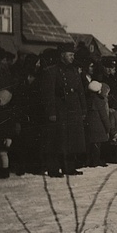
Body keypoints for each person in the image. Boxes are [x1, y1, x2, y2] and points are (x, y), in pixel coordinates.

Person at [40, 42, 87, 177]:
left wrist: (83, 109)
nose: (73, 57)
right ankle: (53, 169)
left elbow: (80, 92)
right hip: (59, 110)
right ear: (62, 55)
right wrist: (51, 112)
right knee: (56, 141)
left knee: (72, 140)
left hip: (73, 110)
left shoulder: (74, 71)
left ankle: (69, 168)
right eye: (70, 54)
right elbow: (47, 94)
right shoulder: (51, 71)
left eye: (73, 54)